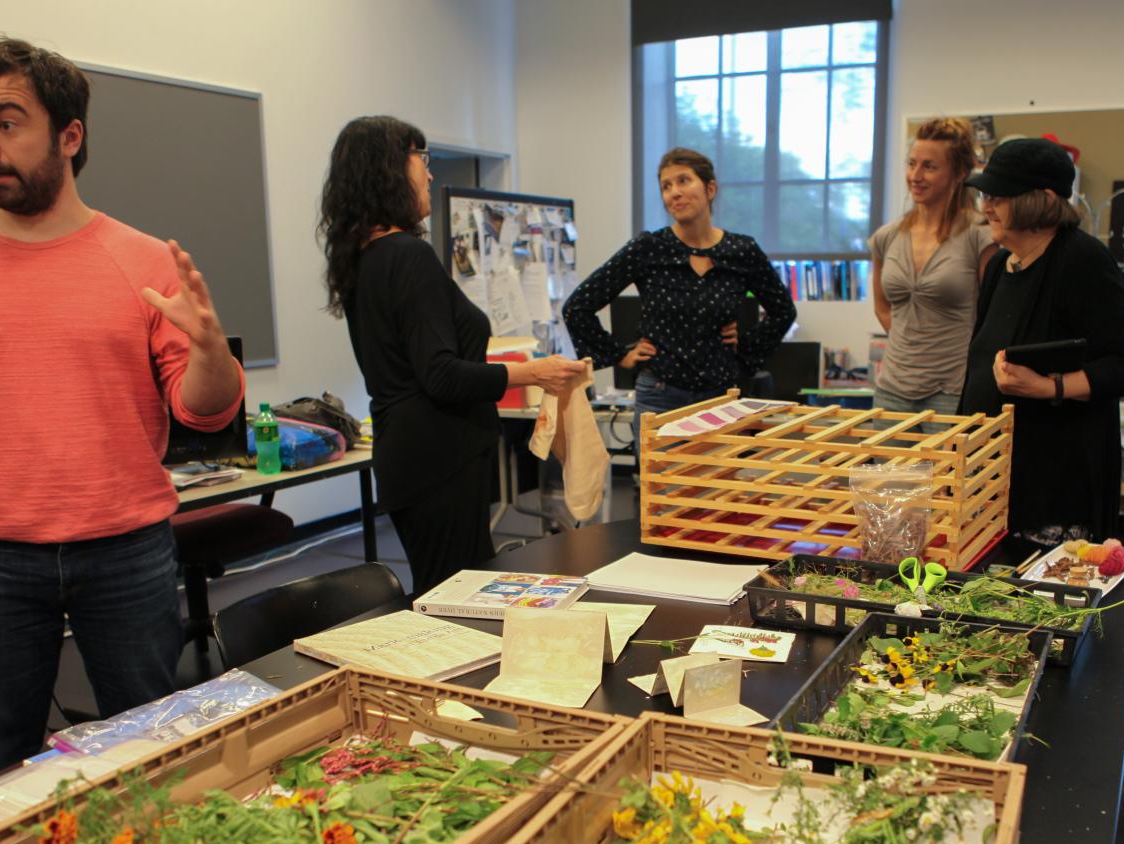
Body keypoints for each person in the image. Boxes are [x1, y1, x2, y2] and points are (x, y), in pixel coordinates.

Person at [0, 36, 245, 785]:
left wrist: (209, 358)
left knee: (153, 749)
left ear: (70, 136)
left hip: (124, 547)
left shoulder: (141, 260)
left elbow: (202, 410)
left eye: (8, 122)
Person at [317, 115, 587, 597]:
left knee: (443, 593)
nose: (430, 172)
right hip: (438, 460)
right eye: (422, 159)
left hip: (410, 457)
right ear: (390, 169)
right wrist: (533, 372)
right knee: (454, 601)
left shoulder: (367, 258)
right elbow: (440, 375)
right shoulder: (408, 256)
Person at [960, 137, 1124, 544]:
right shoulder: (999, 264)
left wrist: (1048, 387)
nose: (985, 205)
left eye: (998, 195)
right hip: (992, 479)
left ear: (1043, 199)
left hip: (1053, 484)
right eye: (985, 194)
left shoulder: (1081, 261)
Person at [562, 147, 795, 450]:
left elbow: (783, 311)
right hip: (660, 397)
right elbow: (578, 306)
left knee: (716, 494)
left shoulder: (741, 251)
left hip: (721, 399)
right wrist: (619, 354)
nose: (674, 193)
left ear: (710, 188)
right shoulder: (649, 248)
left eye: (684, 181)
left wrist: (745, 350)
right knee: (662, 495)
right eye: (666, 186)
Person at [869, 117, 995, 423]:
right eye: (912, 164)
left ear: (960, 173)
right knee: (888, 473)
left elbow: (992, 317)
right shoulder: (887, 236)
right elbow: (883, 308)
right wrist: (914, 344)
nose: (916, 175)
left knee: (947, 473)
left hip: (952, 391)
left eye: (930, 166)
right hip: (891, 390)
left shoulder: (981, 235)